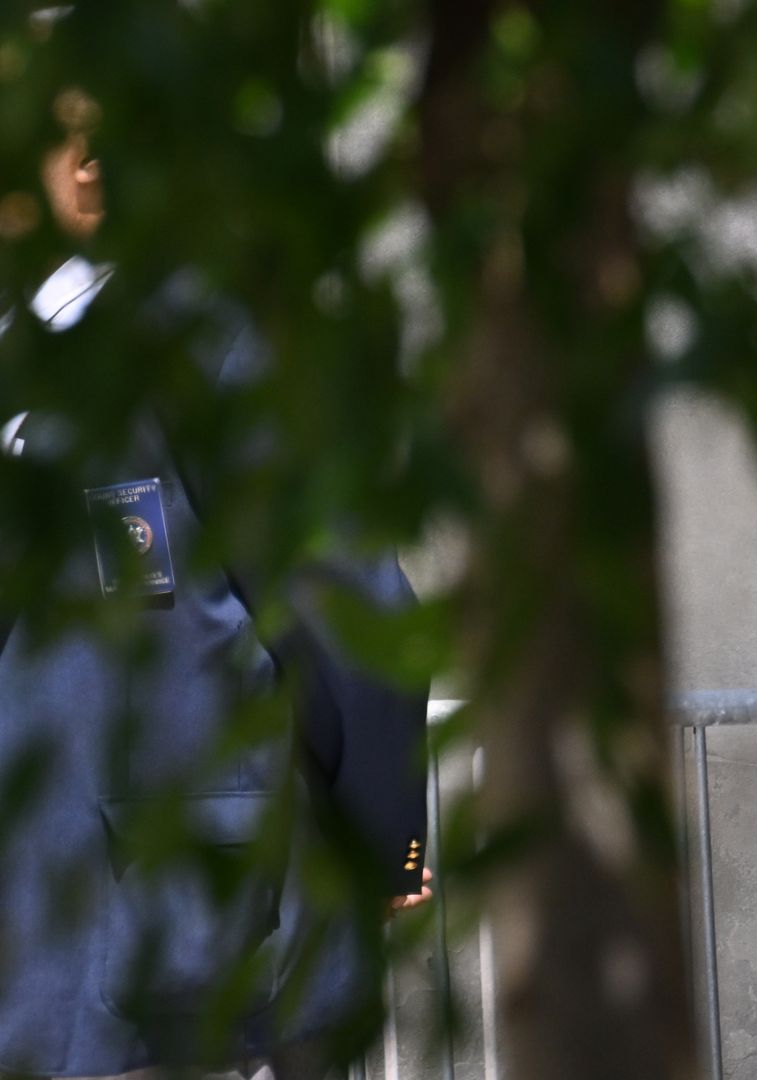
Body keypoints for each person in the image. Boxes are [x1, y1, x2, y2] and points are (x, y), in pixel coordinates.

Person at [0, 74, 432, 1080]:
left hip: (178, 941)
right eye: (58, 136)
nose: (90, 156)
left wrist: (382, 835)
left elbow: (348, 604)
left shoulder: (214, 337)